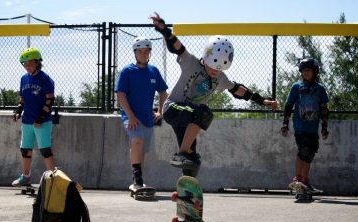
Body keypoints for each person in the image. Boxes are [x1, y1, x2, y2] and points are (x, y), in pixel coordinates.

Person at [150, 12, 278, 177]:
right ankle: (180, 154)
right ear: (206, 58)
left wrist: (263, 101)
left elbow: (238, 90)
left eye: (218, 70)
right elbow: (177, 47)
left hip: (188, 118)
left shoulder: (219, 77)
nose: (214, 72)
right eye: (211, 68)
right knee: (203, 114)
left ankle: (186, 190)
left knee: (193, 160)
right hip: (173, 109)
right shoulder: (191, 62)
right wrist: (165, 31)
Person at [115, 36, 168, 190]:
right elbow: (120, 94)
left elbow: (163, 93)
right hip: (130, 115)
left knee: (142, 150)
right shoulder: (127, 71)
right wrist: (130, 116)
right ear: (135, 53)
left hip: (147, 117)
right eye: (140, 51)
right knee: (136, 140)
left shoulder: (153, 71)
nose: (143, 54)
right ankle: (138, 180)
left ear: (149, 52)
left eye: (146, 51)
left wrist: (159, 112)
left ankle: (137, 180)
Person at [281, 58, 329, 193]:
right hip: (300, 126)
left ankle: (304, 181)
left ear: (315, 72)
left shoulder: (320, 89)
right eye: (304, 71)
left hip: (313, 127)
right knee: (304, 150)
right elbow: (289, 106)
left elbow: (324, 109)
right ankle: (297, 180)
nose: (306, 73)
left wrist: (324, 127)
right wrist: (285, 124)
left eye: (309, 70)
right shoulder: (297, 87)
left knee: (310, 153)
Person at [12, 47, 55, 187]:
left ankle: (53, 179)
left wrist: (41, 117)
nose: (27, 67)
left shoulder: (45, 79)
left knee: (45, 150)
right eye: (24, 64)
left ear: (38, 63)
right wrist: (18, 111)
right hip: (27, 121)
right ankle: (25, 176)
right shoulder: (23, 79)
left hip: (42, 121)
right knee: (25, 149)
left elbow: (50, 100)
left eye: (30, 63)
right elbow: (23, 99)